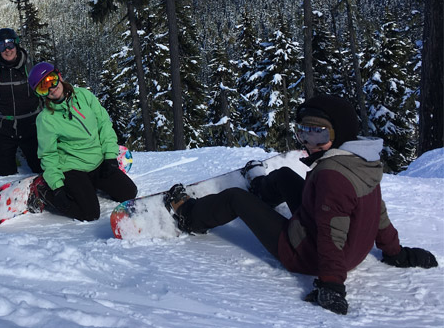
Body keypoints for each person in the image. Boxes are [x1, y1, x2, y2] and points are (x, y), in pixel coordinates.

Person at [164, 94, 438, 315]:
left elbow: (333, 234)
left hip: (304, 253)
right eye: (303, 133)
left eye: (319, 134)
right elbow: (378, 213)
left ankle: (190, 216)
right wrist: (395, 252)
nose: (308, 142)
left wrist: (331, 285)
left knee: (236, 198)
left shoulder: (332, 176)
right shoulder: (363, 161)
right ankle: (262, 190)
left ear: (339, 134)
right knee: (284, 175)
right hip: (342, 244)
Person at [27, 62, 137, 221]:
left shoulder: (84, 96)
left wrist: (110, 156)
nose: (51, 88)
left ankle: (91, 186)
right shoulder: (45, 120)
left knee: (129, 192)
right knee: (90, 213)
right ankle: (44, 192)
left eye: (51, 80)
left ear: (59, 76)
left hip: (98, 161)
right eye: (43, 87)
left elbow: (104, 124)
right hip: (73, 168)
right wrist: (57, 188)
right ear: (40, 94)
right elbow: (48, 155)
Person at [0, 28, 42, 175]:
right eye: (1, 46)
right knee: (3, 172)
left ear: (17, 45)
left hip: (31, 127)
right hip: (5, 130)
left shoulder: (31, 68)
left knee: (40, 169)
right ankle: (10, 153)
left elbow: (47, 96)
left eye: (10, 44)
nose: (7, 50)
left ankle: (23, 152)